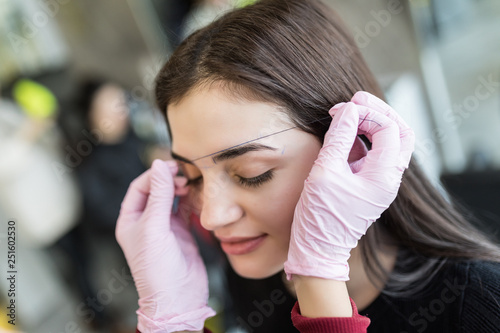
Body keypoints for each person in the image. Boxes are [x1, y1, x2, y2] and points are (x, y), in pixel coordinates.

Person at [115, 0, 500, 332]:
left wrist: (319, 275)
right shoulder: (257, 277)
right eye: (192, 176)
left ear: (354, 148)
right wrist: (170, 319)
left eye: (251, 173)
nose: (212, 217)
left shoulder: (479, 306)